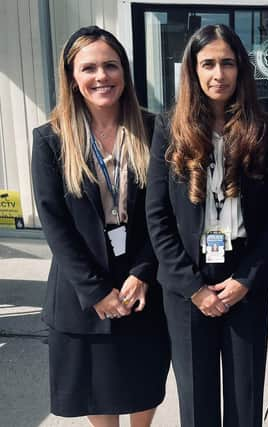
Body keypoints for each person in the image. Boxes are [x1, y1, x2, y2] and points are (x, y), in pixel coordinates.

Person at [145, 24, 268, 427]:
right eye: (208, 63)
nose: (218, 74)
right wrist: (191, 288)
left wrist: (248, 278)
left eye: (227, 63)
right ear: (192, 70)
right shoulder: (169, 128)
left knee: (245, 396)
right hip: (187, 285)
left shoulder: (264, 130)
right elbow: (157, 216)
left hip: (245, 281)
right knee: (197, 398)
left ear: (241, 69)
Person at [31, 26, 170, 427]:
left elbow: (163, 213)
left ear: (125, 72)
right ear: (72, 77)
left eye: (110, 66)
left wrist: (145, 272)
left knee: (143, 380)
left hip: (141, 282)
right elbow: (55, 224)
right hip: (83, 288)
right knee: (99, 386)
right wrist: (94, 290)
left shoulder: (153, 129)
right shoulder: (51, 139)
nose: (101, 76)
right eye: (88, 68)